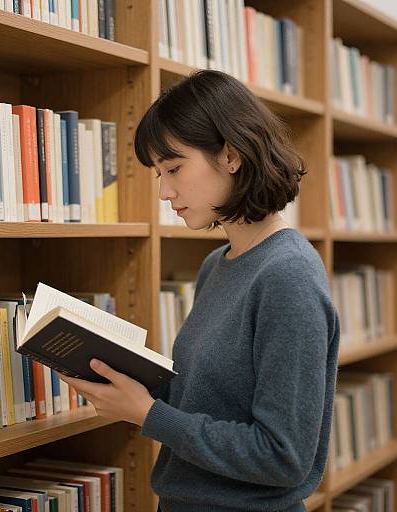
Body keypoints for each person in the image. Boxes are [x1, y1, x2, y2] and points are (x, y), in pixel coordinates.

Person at [58, 70, 340, 512]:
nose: (165, 191)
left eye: (173, 168)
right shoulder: (217, 265)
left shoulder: (288, 276)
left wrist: (149, 415)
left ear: (231, 155)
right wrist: (128, 388)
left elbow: (283, 457)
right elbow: (212, 402)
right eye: (158, 174)